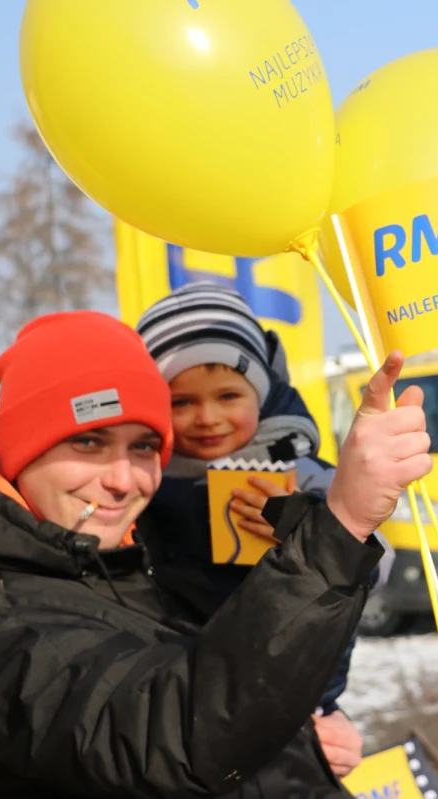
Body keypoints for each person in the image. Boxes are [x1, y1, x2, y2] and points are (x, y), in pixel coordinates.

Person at [0, 310, 431, 798]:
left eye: (143, 446)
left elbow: (218, 675)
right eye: (88, 442)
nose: (122, 479)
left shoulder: (116, 559)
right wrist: (342, 523)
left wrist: (300, 739)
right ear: (21, 451)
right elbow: (178, 736)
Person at [134, 282, 378, 776]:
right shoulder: (141, 480)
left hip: (301, 687)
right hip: (188, 693)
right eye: (181, 402)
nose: (207, 418)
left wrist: (299, 527)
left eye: (228, 395)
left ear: (260, 394)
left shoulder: (300, 471)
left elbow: (366, 564)